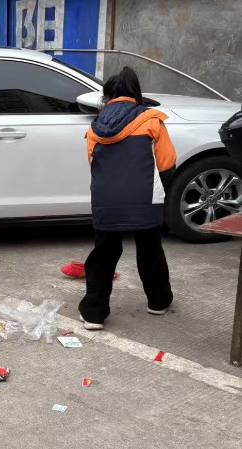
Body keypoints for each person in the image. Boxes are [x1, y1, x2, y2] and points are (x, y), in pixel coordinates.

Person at [79, 66, 176, 330]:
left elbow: (92, 162)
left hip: (106, 200)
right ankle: (158, 302)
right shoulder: (152, 120)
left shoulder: (95, 126)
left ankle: (94, 314)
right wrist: (156, 192)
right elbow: (167, 164)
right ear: (136, 93)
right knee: (150, 250)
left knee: (104, 253)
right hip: (144, 198)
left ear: (108, 95)